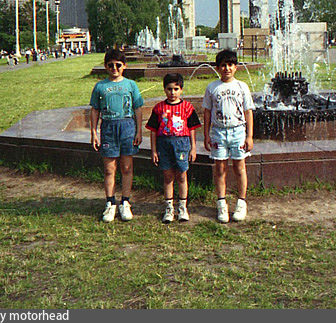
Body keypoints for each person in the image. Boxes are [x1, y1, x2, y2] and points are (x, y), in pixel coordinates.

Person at [90, 48, 144, 222]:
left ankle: (125, 202)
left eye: (118, 65)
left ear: (124, 66)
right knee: (109, 168)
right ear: (106, 66)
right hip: (108, 128)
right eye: (111, 65)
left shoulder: (131, 85)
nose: (114, 68)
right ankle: (110, 203)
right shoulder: (100, 86)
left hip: (127, 127)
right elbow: (95, 110)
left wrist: (139, 131)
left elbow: (138, 108)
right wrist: (94, 132)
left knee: (126, 167)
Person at [203, 49, 255, 223]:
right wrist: (206, 135)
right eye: (223, 65)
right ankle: (221, 203)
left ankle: (241, 202)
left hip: (238, 131)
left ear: (236, 67)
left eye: (230, 65)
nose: (227, 68)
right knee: (220, 169)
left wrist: (249, 136)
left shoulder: (242, 86)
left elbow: (248, 112)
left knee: (239, 167)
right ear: (218, 68)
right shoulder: (212, 87)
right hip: (218, 132)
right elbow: (207, 112)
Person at [146, 73, 201, 223]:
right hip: (164, 145)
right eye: (169, 89)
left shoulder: (187, 108)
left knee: (182, 175)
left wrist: (193, 148)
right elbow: (153, 131)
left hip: (182, 144)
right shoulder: (159, 108)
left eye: (176, 89)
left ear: (181, 89)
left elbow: (192, 129)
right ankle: (169, 208)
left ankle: (182, 207)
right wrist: (154, 150)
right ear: (164, 89)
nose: (172, 92)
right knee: (168, 176)